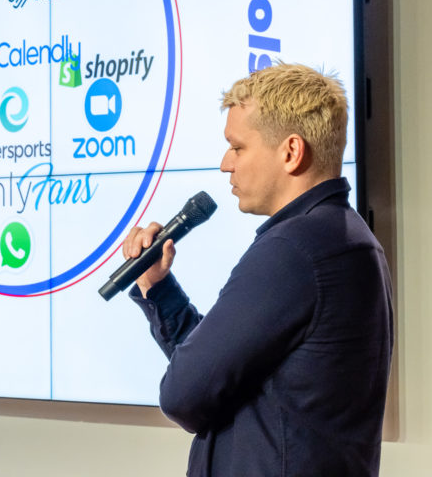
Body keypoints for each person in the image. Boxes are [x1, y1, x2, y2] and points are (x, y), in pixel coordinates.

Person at [122, 62, 392, 476]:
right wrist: (158, 287)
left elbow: (183, 395)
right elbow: (215, 371)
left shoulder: (293, 249)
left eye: (238, 147)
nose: (225, 164)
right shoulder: (351, 240)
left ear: (290, 152)